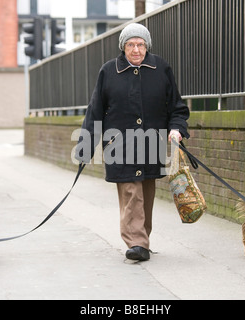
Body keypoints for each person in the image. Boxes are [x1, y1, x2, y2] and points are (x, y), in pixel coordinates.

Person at [75, 23, 190, 261]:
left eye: (140, 44)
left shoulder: (161, 69)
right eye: (131, 45)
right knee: (131, 192)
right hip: (120, 145)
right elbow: (94, 111)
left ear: (147, 46)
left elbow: (177, 107)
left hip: (151, 143)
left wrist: (176, 129)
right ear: (123, 47)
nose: (136, 50)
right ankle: (137, 242)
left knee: (146, 194)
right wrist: (85, 148)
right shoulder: (109, 71)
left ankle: (141, 240)